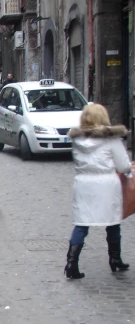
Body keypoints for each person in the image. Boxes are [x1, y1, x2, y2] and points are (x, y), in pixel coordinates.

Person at [64, 104, 131, 279]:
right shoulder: (111, 139)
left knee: (82, 223)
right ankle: (115, 259)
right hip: (106, 183)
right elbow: (123, 165)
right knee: (112, 221)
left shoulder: (77, 140)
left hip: (84, 183)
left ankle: (71, 263)